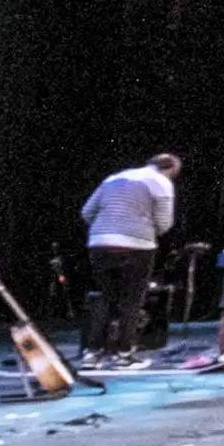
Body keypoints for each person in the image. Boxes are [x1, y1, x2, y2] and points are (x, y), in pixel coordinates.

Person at [79, 149, 180, 362]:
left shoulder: (113, 178)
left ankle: (92, 352)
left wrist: (107, 231)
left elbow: (87, 211)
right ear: (170, 169)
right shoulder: (161, 182)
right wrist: (141, 232)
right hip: (136, 245)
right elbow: (164, 222)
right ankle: (124, 354)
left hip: (99, 243)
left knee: (106, 296)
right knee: (132, 299)